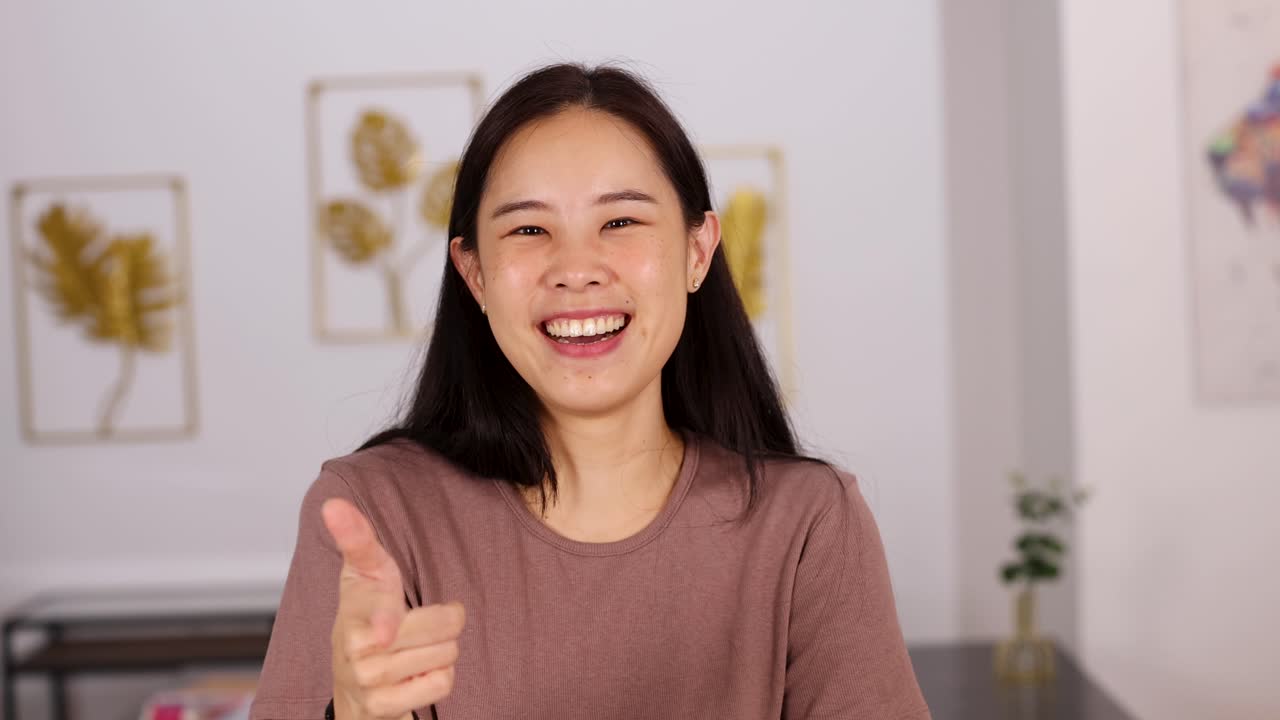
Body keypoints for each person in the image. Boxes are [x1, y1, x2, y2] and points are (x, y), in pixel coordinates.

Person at [249, 62, 930, 720]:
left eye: (621, 222)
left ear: (698, 251)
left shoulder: (809, 525)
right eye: (528, 230)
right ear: (475, 273)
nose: (576, 269)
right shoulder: (374, 515)